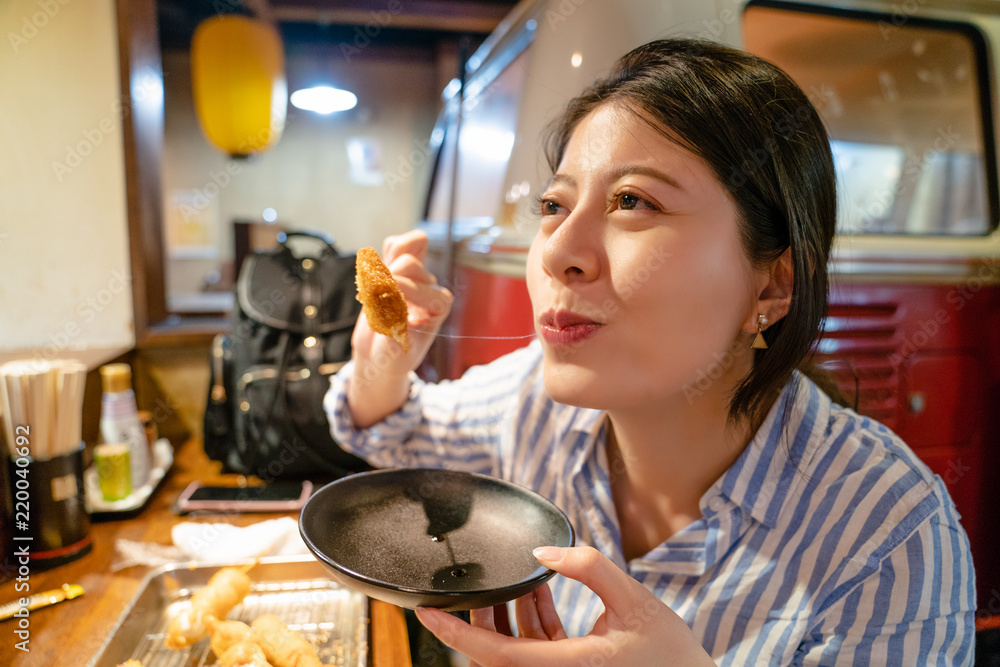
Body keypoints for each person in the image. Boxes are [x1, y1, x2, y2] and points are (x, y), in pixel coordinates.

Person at [325, 38, 975, 665]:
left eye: (632, 201)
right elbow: (396, 434)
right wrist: (384, 363)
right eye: (554, 204)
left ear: (772, 285)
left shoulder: (890, 532)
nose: (556, 250)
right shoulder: (531, 402)